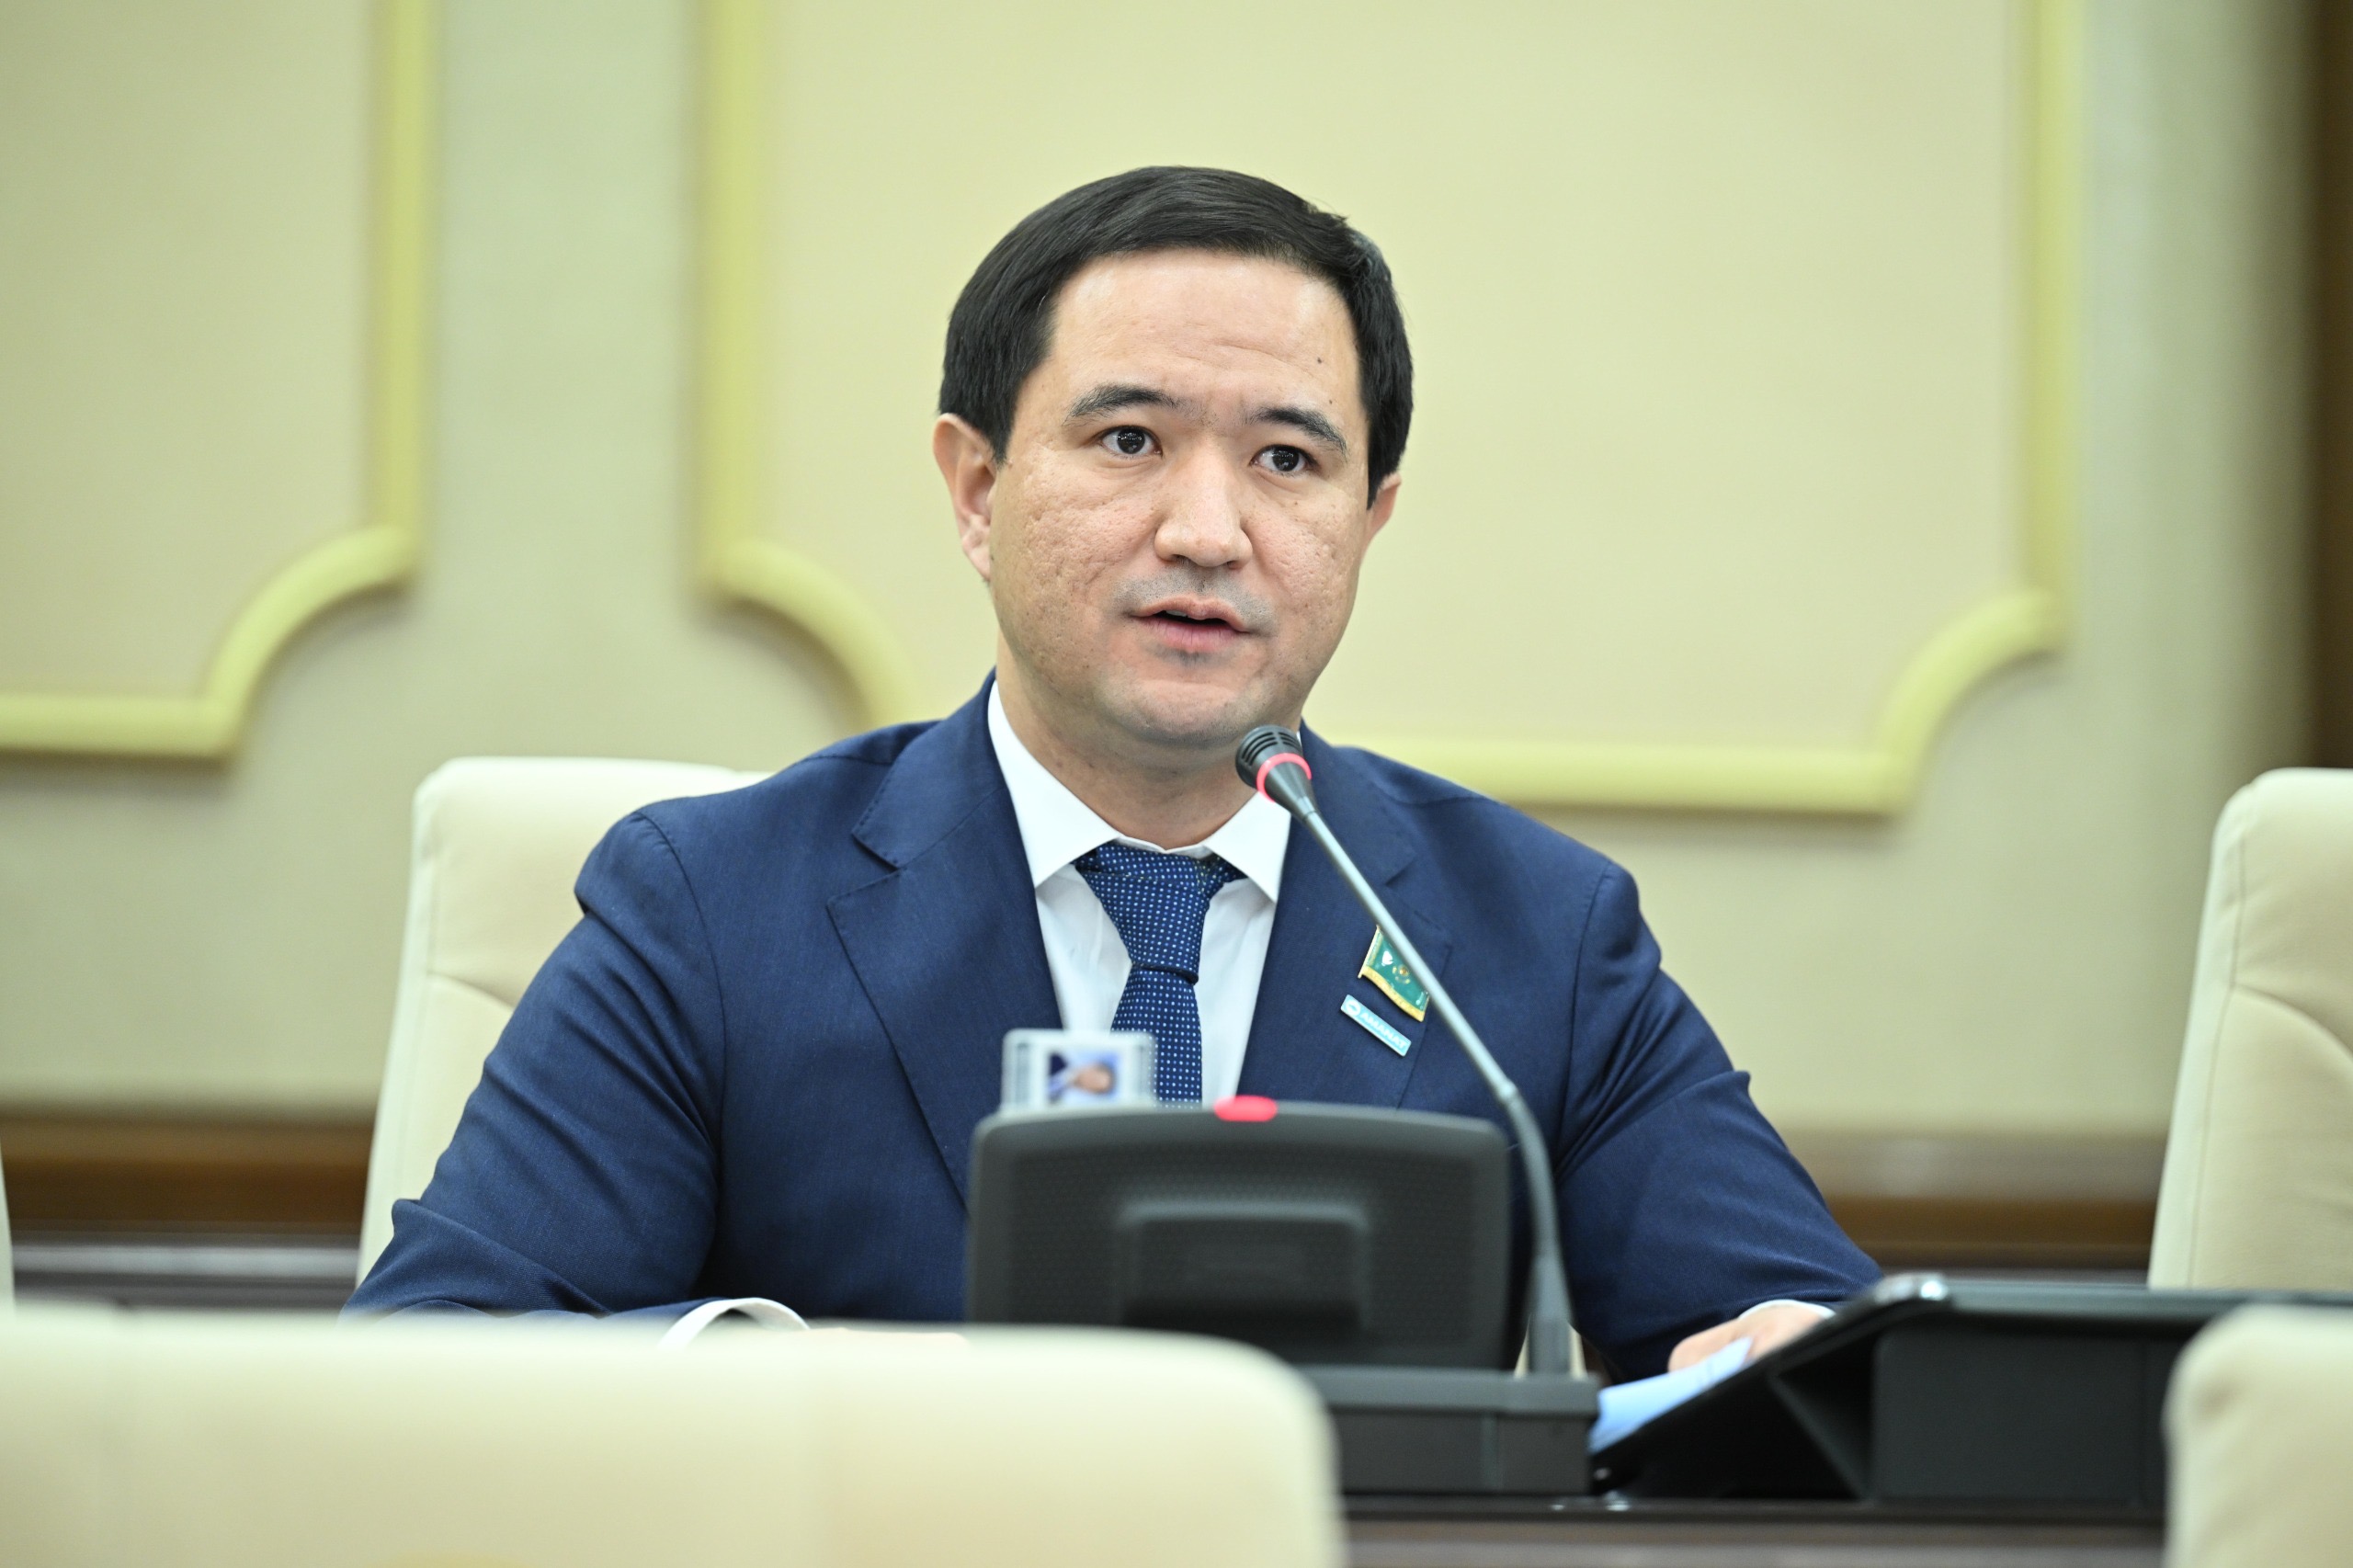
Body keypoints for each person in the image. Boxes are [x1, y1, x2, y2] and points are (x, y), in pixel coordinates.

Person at [349, 166, 1878, 1377]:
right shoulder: (714, 909)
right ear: (977, 490)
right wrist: (810, 1386)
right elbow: (436, 1359)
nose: (1209, 531)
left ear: (1369, 520)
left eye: (1289, 460)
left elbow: (1823, 1355)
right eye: (1132, 439)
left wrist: (1773, 1362)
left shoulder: (1532, 936)